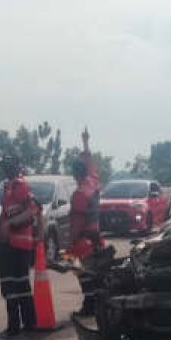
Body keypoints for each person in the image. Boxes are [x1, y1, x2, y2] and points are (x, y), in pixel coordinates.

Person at [0, 156, 39, 339]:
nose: (6, 169)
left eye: (7, 166)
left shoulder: (20, 186)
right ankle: (28, 323)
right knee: (20, 284)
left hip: (16, 244)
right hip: (14, 243)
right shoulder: (9, 188)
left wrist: (10, 225)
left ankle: (15, 327)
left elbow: (33, 210)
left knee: (10, 285)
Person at [68, 128, 106, 316]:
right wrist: (85, 142)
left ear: (75, 174)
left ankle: (89, 306)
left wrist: (70, 243)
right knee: (95, 273)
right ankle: (97, 303)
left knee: (82, 274)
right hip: (97, 236)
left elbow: (76, 222)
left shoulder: (79, 194)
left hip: (84, 239)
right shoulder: (93, 182)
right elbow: (90, 162)